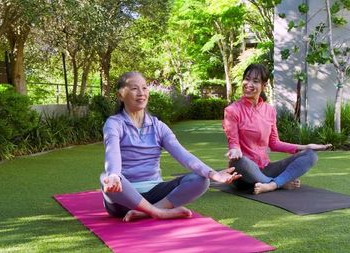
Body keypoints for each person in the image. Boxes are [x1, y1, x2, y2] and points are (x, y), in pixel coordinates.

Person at [100, 71, 241, 222]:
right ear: (121, 95)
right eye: (134, 89)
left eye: (145, 88)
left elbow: (183, 155)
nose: (141, 93)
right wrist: (114, 175)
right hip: (124, 199)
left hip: (155, 192)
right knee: (106, 178)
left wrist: (213, 174)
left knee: (201, 180)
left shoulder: (158, 127)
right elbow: (112, 153)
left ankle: (147, 212)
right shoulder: (114, 124)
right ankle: (159, 212)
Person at [222, 64, 331, 195]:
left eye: (255, 81)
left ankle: (272, 184)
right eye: (247, 79)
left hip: (265, 168)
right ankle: (280, 183)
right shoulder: (232, 110)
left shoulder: (269, 110)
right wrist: (235, 149)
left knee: (310, 155)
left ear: (264, 85)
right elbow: (233, 140)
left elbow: (274, 143)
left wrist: (306, 146)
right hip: (244, 173)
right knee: (239, 162)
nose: (249, 84)